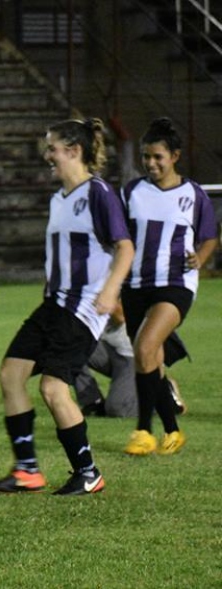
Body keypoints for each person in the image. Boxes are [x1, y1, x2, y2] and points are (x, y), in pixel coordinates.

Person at [0, 118, 133, 495]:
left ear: (74, 150)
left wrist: (110, 291)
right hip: (53, 306)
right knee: (10, 374)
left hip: (82, 309)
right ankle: (28, 470)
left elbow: (125, 247)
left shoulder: (98, 193)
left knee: (53, 388)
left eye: (52, 148)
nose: (47, 155)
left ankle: (87, 472)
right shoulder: (58, 198)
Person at [120, 117, 217, 456]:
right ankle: (172, 431)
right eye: (146, 157)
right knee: (150, 361)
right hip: (135, 284)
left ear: (174, 156)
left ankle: (143, 430)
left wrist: (201, 258)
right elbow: (120, 238)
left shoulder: (193, 194)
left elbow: (208, 236)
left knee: (145, 348)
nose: (150, 163)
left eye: (157, 157)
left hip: (176, 283)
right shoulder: (131, 191)